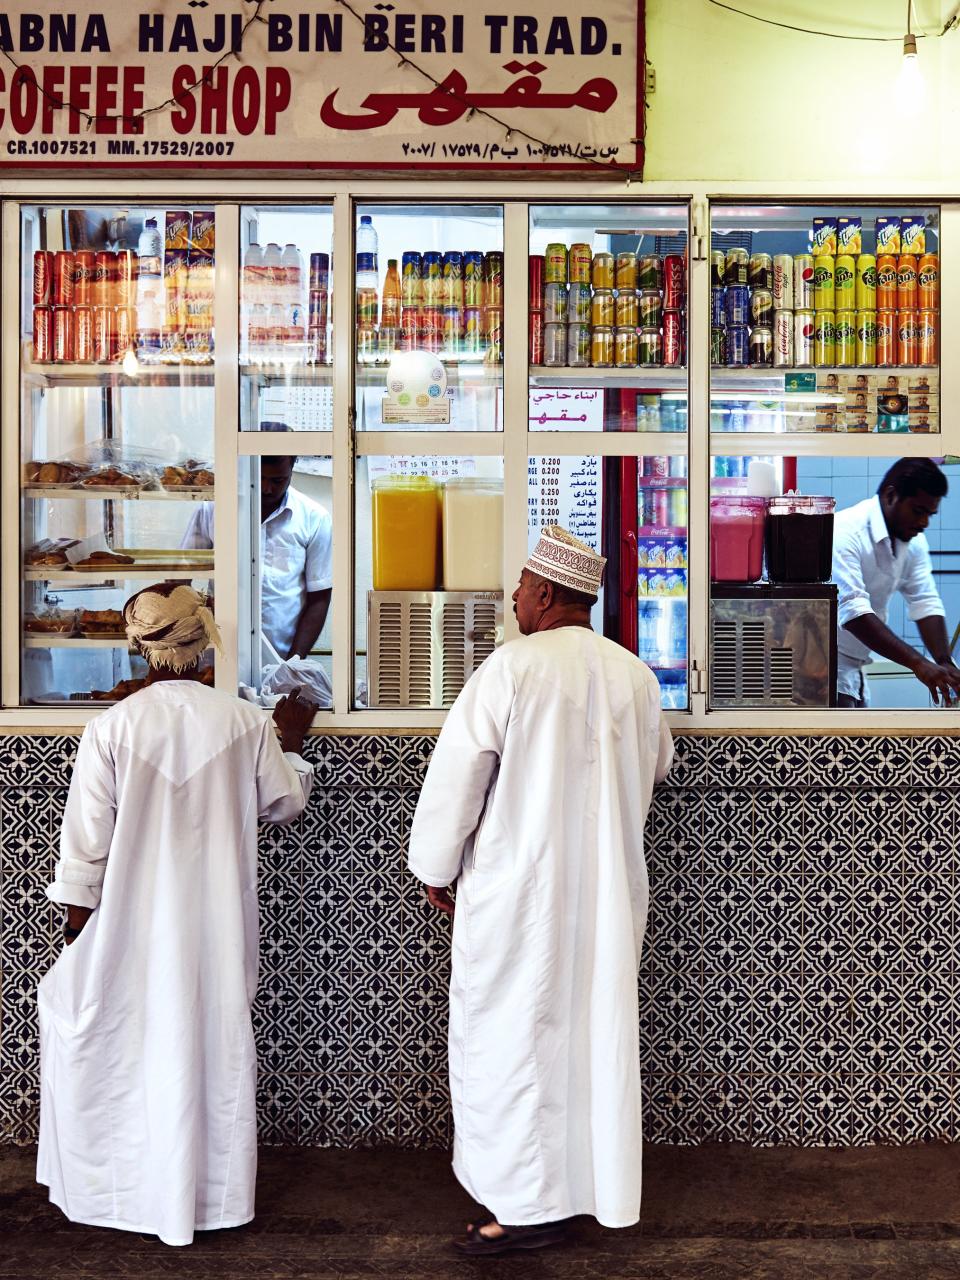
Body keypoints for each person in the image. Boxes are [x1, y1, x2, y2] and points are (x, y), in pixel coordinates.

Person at [407, 527, 674, 1256]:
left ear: (548, 593)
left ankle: (522, 1212)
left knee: (513, 1043)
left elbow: (457, 781)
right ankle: (586, 1192)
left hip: (517, 897)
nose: (514, 597)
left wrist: (435, 865)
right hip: (608, 897)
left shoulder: (510, 669)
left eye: (522, 586)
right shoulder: (636, 677)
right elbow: (657, 769)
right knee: (591, 1040)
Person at [37, 583, 318, 1247]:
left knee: (124, 1050)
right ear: (203, 644)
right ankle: (205, 1203)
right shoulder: (245, 724)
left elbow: (83, 857)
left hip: (128, 934)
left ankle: (129, 1196)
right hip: (216, 934)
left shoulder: (111, 728)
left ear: (140, 650)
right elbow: (283, 805)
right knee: (209, 1053)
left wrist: (77, 937)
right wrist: (292, 746)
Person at [832, 458, 960, 708]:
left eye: (930, 514)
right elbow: (854, 613)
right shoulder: (844, 532)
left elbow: (925, 602)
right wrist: (918, 663)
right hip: (824, 665)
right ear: (891, 496)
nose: (924, 523)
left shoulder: (912, 543)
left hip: (855, 666)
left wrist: (943, 661)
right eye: (918, 511)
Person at [181, 455, 332, 660]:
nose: (266, 488)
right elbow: (180, 578)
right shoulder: (212, 508)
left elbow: (320, 596)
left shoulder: (314, 518)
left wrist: (293, 663)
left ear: (292, 467)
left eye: (278, 480)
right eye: (259, 478)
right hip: (217, 652)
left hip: (281, 656)